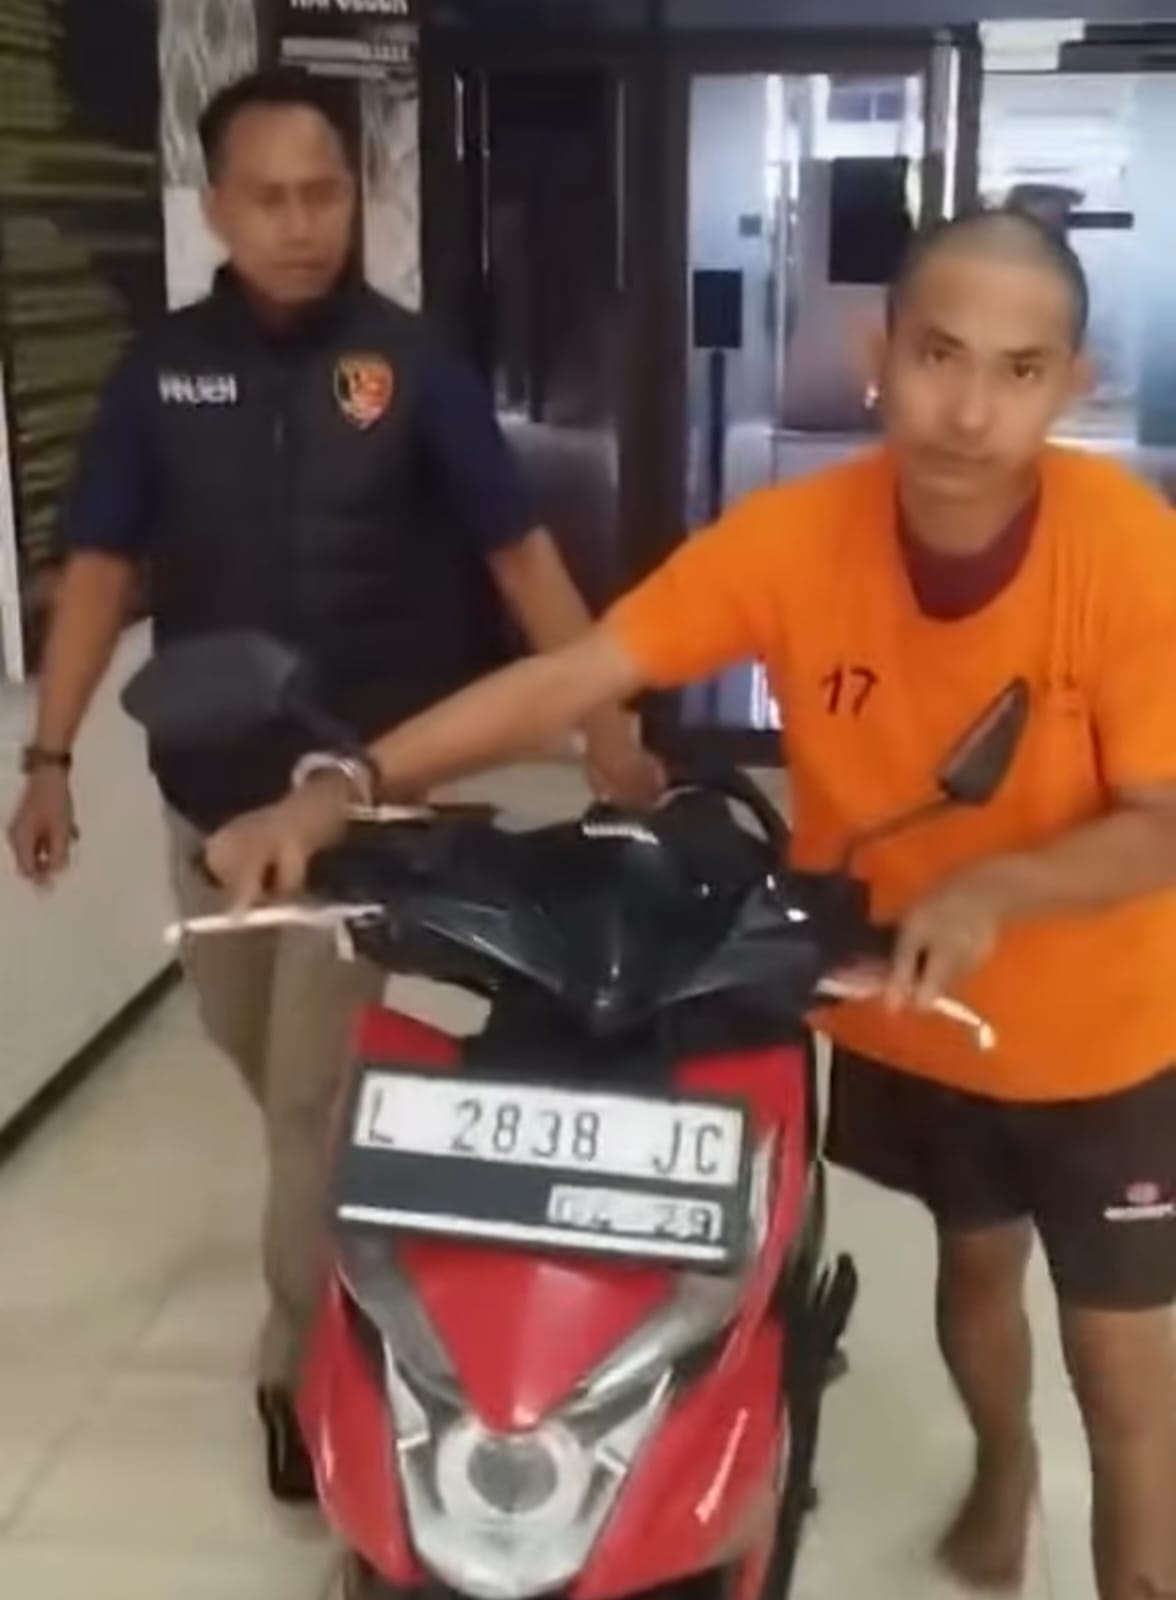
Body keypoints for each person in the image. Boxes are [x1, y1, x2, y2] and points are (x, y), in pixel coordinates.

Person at [199, 208, 1176, 1599]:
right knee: (973, 1275)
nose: (970, 411)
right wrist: (343, 786)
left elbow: (1163, 823)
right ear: (878, 354)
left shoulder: (1131, 556)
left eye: (1020, 372)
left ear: (1073, 386)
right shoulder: (797, 537)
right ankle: (1003, 1467)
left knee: (1123, 1367)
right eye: (939, 355)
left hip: (1103, 1032)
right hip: (907, 996)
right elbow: (577, 675)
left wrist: (1006, 884)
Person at [6, 69, 661, 1504]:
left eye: (325, 194)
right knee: (261, 1059)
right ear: (217, 207)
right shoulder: (160, 374)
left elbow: (518, 553)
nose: (302, 225)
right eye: (270, 199)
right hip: (206, 799)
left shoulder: (414, 367)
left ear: (354, 198)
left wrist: (603, 719)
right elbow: (101, 568)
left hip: (364, 798)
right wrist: (48, 757)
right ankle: (378, 1183)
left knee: (304, 1100)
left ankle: (301, 1368)